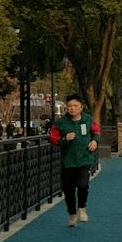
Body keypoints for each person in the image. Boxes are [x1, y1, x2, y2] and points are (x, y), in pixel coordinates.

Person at [50, 95, 99, 226]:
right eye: (69, 106)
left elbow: (96, 132)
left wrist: (95, 141)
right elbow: (53, 139)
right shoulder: (61, 122)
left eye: (75, 106)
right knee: (68, 189)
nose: (72, 108)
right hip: (68, 161)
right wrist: (65, 139)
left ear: (81, 107)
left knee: (83, 185)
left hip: (85, 158)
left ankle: (82, 208)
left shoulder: (88, 119)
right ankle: (72, 214)